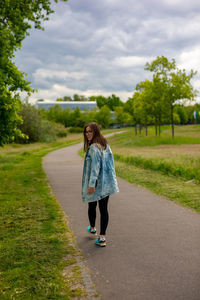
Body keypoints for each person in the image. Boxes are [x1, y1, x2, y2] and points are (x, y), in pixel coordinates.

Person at [82, 122, 119, 247]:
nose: (87, 134)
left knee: (92, 206)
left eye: (90, 131)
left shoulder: (93, 148)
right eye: (86, 132)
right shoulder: (105, 145)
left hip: (96, 183)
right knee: (103, 209)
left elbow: (95, 168)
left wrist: (91, 184)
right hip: (106, 183)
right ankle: (101, 236)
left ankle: (94, 230)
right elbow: (111, 165)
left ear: (96, 132)